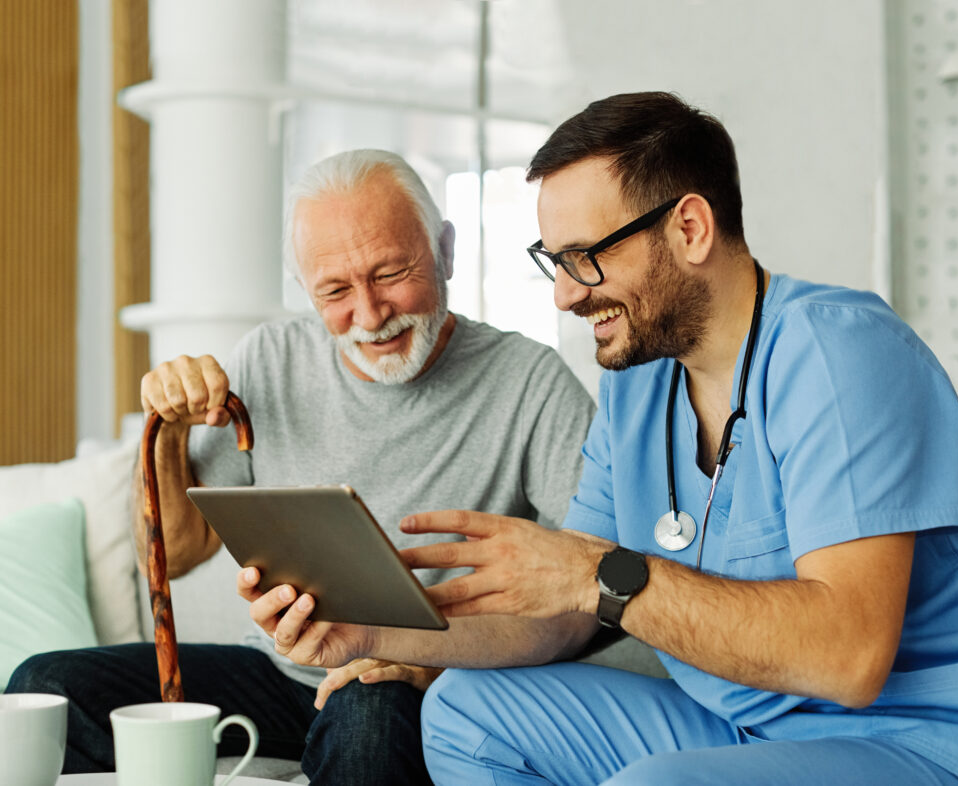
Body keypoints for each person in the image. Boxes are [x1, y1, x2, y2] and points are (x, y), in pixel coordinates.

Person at [248, 93, 958, 785]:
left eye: (587, 258)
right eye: (554, 263)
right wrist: (373, 632)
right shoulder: (638, 382)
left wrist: (598, 571)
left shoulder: (841, 354)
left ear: (689, 227)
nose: (563, 295)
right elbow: (566, 610)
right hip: (741, 722)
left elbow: (849, 658)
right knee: (464, 712)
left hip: (925, 741)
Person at [7, 149, 596, 784]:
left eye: (392, 272)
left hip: (419, 679)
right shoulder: (269, 357)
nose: (370, 316)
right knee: (46, 684)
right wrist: (170, 430)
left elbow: (592, 592)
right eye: (336, 291)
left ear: (445, 251)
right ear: (306, 290)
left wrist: (436, 662)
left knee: (370, 706)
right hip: (280, 670)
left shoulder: (531, 381)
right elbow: (174, 554)